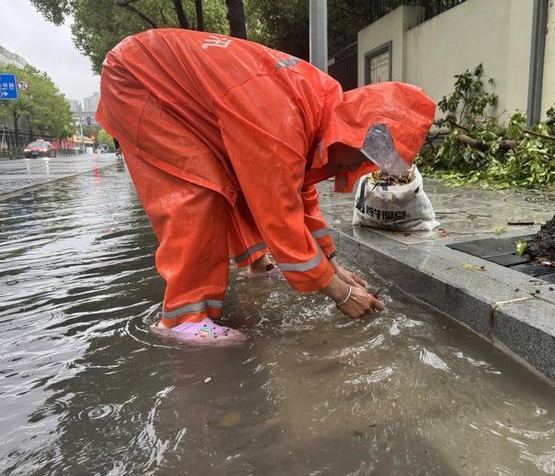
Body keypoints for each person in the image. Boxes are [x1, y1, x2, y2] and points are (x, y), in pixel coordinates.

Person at [97, 29, 435, 343]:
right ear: (358, 132)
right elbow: (279, 212)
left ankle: (256, 265)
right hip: (141, 80)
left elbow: (300, 192)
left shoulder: (322, 106)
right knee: (200, 192)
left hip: (165, 77)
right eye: (359, 157)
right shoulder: (280, 118)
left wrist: (332, 265)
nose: (351, 167)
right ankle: (184, 319)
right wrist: (340, 293)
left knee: (241, 181)